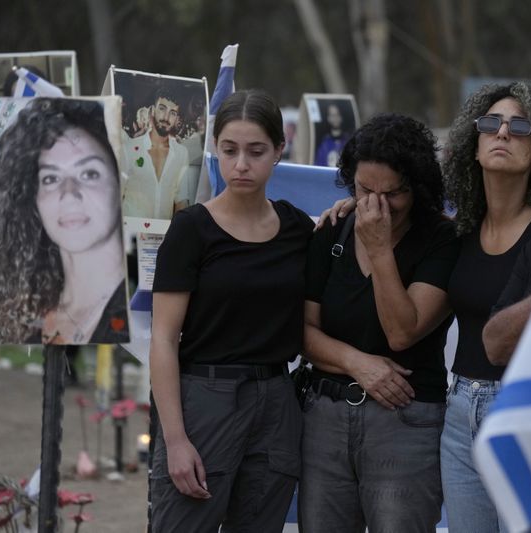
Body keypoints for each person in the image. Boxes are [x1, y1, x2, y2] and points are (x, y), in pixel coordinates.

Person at [149, 89, 314, 532]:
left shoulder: (298, 228)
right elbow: (163, 340)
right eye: (230, 150)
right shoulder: (191, 230)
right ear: (215, 150)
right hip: (204, 399)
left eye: (256, 151)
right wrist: (176, 439)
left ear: (279, 151)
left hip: (277, 401)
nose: (241, 164)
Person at [298, 113, 459, 532]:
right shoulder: (332, 229)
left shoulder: (441, 239)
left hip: (404, 421)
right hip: (326, 416)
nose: (376, 205)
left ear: (418, 188)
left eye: (393, 194)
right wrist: (357, 363)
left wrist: (380, 249)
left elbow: (401, 332)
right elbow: (302, 332)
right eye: (365, 189)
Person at [441, 82, 531, 532]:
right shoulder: (460, 232)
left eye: (520, 126)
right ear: (473, 146)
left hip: (526, 415)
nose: (502, 133)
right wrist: (353, 200)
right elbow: (394, 208)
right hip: (457, 418)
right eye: (490, 123)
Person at [0, 97, 129, 345]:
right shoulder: (25, 320)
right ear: (33, 200)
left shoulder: (141, 314)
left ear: (120, 184)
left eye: (89, 173)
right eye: (50, 179)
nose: (68, 193)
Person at [122, 89, 191, 219]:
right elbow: (116, 196)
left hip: (165, 236)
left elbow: (181, 201)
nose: (166, 117)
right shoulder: (129, 148)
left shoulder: (181, 153)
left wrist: (179, 236)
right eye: (162, 109)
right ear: (152, 110)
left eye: (172, 113)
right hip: (131, 234)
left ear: (177, 119)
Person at [313, 102, 352, 167]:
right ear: (328, 118)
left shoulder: (348, 141)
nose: (335, 118)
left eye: (337, 114)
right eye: (332, 115)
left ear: (341, 117)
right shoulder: (324, 143)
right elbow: (318, 165)